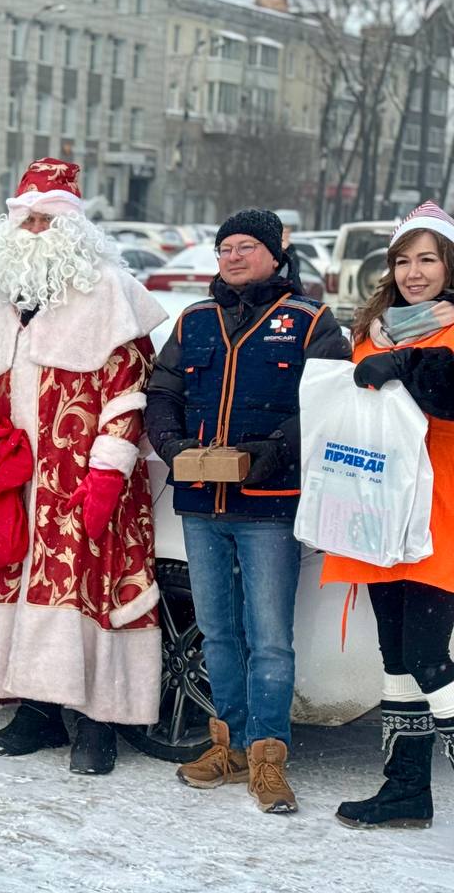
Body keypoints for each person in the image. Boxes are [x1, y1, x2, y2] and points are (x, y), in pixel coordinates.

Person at [0, 158, 167, 774]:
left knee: (88, 594)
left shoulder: (110, 294)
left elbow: (130, 392)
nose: (36, 229)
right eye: (27, 219)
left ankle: (97, 722)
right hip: (12, 482)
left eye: (48, 219)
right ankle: (38, 712)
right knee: (17, 587)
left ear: (73, 226)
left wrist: (108, 474)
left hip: (85, 483)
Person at [146, 208, 349, 813]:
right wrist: (175, 448)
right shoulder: (195, 319)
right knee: (216, 630)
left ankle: (268, 757)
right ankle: (228, 747)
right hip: (201, 504)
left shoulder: (309, 321)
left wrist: (271, 452)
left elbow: (328, 404)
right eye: (223, 248)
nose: (232, 257)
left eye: (245, 247)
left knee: (271, 639)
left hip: (269, 505)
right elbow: (163, 394)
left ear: (273, 252)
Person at [321, 201, 454, 829]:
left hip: (440, 517)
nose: (414, 272)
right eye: (403, 259)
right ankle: (405, 791)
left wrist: (408, 364)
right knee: (397, 657)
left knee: (431, 658)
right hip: (378, 516)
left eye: (427, 258)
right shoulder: (372, 329)